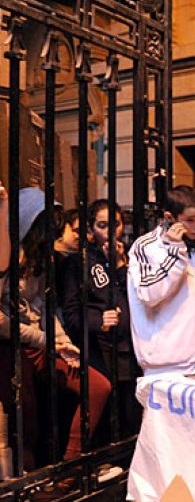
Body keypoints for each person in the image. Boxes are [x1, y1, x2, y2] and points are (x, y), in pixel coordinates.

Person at [1, 188, 111, 465]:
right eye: (46, 229)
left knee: (97, 387)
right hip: (12, 346)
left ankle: (70, 468)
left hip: (40, 342)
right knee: (26, 418)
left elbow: (47, 306)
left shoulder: (41, 259)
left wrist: (62, 341)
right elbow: (1, 321)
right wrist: (47, 340)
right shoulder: (7, 260)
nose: (52, 236)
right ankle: (26, 489)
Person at [128, 185, 195, 376]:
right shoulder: (146, 246)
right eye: (190, 221)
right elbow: (149, 294)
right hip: (166, 364)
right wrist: (175, 253)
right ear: (170, 218)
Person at [62, 199, 142, 437]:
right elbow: (71, 313)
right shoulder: (79, 262)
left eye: (115, 224)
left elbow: (139, 299)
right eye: (102, 225)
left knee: (132, 419)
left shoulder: (132, 258)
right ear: (90, 229)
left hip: (135, 349)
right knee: (107, 419)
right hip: (101, 350)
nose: (110, 231)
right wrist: (98, 320)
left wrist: (119, 265)